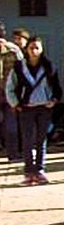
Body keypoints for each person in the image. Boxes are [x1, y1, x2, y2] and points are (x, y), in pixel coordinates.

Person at [5, 35, 62, 185]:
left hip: (44, 107)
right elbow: (10, 87)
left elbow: (56, 86)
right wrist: (15, 103)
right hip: (26, 108)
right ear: (26, 49)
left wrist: (54, 100)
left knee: (41, 140)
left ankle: (40, 170)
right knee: (27, 140)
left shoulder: (48, 66)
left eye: (37, 48)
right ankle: (29, 172)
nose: (34, 51)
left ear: (42, 49)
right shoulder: (19, 67)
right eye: (31, 48)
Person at [0, 23, 24, 163]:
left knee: (11, 126)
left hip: (9, 93)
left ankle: (13, 154)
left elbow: (21, 72)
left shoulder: (13, 50)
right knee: (11, 126)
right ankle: (13, 154)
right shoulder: (14, 50)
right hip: (9, 93)